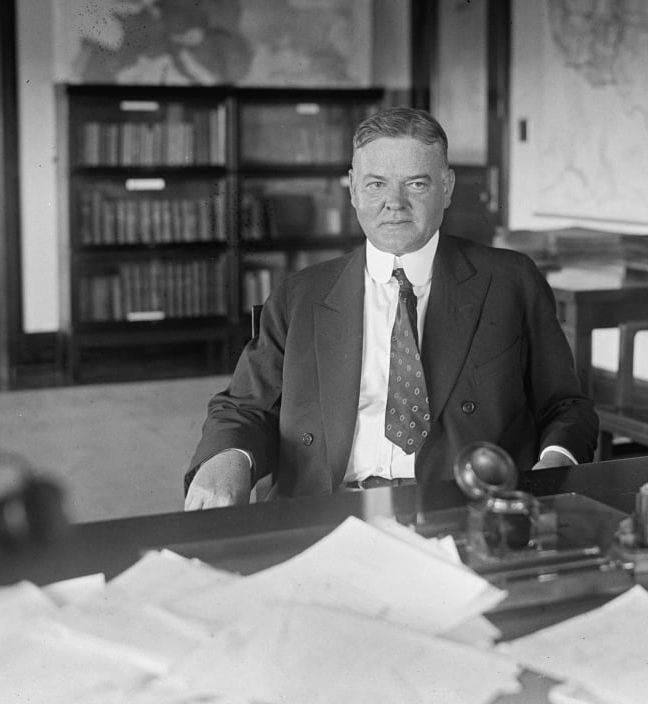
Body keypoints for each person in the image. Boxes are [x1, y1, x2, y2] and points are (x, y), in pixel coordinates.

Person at [184, 107, 598, 507]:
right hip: (326, 507)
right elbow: (244, 407)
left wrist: (553, 466)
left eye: (416, 184)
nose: (394, 203)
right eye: (376, 184)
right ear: (352, 188)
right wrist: (227, 459)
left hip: (463, 507)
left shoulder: (511, 282)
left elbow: (566, 408)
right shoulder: (301, 295)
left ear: (447, 187)